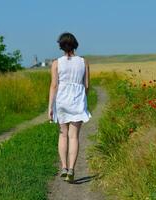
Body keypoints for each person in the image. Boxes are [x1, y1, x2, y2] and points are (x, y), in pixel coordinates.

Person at [48, 32, 92, 183]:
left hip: (62, 100)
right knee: (74, 136)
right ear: (75, 44)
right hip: (78, 100)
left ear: (61, 46)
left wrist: (50, 107)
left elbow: (54, 85)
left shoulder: (56, 63)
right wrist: (82, 98)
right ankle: (72, 169)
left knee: (63, 135)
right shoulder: (83, 62)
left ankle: (64, 167)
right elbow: (86, 86)